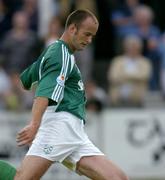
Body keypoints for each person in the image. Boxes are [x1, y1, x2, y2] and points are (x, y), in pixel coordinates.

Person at [3, 9, 128, 180]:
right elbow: (44, 92)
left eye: (92, 36)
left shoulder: (55, 52)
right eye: (86, 34)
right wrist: (34, 124)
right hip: (58, 126)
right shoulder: (60, 54)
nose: (89, 40)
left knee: (118, 178)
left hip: (74, 132)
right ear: (72, 29)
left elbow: (25, 79)